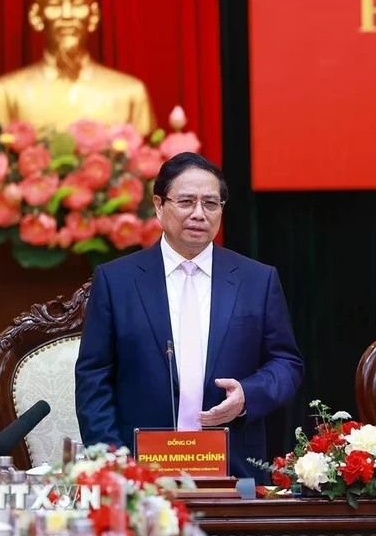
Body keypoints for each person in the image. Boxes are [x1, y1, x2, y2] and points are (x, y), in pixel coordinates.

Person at [75, 152, 303, 480]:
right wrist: (116, 465)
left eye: (211, 203)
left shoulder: (257, 279)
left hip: (234, 468)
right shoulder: (117, 281)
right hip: (140, 470)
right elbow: (93, 377)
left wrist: (247, 396)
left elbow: (286, 363)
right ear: (158, 205)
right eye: (186, 201)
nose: (199, 213)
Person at [0, 0, 155, 134]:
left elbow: (149, 157)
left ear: (93, 16)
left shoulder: (130, 93)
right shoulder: (5, 93)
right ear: (36, 16)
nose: (66, 14)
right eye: (54, 4)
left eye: (78, 4)